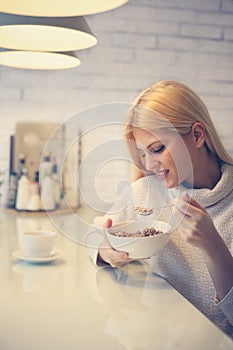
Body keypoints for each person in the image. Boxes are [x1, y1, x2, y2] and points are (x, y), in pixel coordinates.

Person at [85, 80, 233, 338]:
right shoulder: (148, 191)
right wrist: (104, 250)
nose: (150, 164)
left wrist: (212, 245)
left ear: (197, 135)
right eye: (142, 153)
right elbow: (93, 235)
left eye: (157, 149)